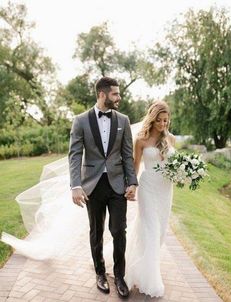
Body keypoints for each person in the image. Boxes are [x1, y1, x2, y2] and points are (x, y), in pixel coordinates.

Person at [68, 76, 138, 298]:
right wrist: (75, 185)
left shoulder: (124, 120)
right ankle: (100, 273)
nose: (119, 97)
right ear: (102, 94)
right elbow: (75, 154)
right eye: (115, 93)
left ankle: (119, 276)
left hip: (118, 185)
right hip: (93, 185)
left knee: (119, 231)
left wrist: (133, 182)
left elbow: (127, 154)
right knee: (96, 232)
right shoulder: (80, 121)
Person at [125, 100, 175, 298]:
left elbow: (173, 166)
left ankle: (143, 263)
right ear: (152, 120)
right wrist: (132, 188)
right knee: (152, 231)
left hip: (165, 190)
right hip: (148, 189)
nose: (163, 124)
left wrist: (183, 174)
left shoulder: (171, 139)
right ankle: (151, 280)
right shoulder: (141, 140)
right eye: (159, 121)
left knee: (160, 232)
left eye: (166, 120)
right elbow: (135, 168)